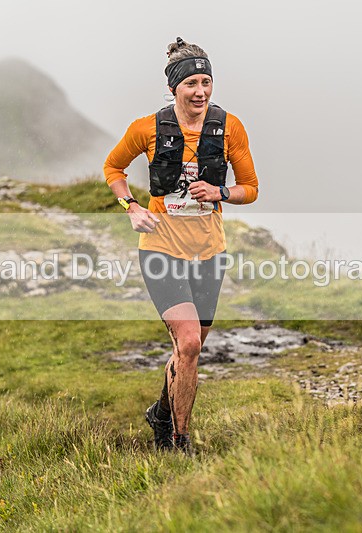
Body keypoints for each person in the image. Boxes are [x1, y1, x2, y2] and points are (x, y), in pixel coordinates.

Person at [103, 37, 259, 454]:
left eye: (206, 81)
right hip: (161, 250)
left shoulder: (230, 127)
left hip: (210, 253)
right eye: (191, 82)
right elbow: (112, 168)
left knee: (188, 350)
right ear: (174, 88)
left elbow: (251, 189)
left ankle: (160, 411)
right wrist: (131, 207)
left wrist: (222, 194)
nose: (200, 91)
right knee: (188, 342)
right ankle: (178, 440)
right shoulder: (146, 128)